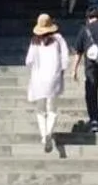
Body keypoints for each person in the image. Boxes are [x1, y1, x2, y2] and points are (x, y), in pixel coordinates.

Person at [26, 14, 67, 152]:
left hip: (38, 80)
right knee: (52, 110)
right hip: (54, 79)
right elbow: (65, 59)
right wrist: (61, 72)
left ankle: (44, 135)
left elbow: (28, 61)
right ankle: (49, 132)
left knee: (40, 110)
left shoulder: (34, 41)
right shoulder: (58, 39)